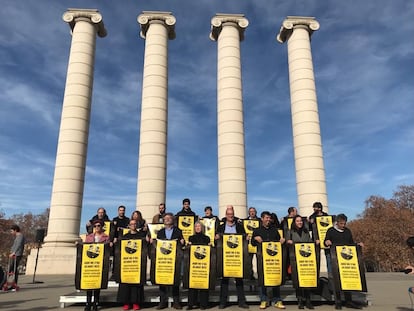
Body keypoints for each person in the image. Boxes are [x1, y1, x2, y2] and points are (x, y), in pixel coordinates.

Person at [324, 214, 364, 310]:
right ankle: (338, 302)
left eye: (344, 223)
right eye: (341, 223)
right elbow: (325, 241)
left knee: (347, 277)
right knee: (335, 278)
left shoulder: (347, 231)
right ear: (337, 222)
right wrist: (327, 242)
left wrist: (358, 244)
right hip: (333, 257)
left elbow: (351, 243)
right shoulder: (330, 230)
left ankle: (348, 301)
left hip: (345, 258)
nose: (343, 225)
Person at [215, 205, 249, 309]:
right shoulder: (221, 226)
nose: (230, 216)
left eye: (232, 214)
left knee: (239, 279)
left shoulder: (239, 225)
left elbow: (244, 236)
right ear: (226, 215)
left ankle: (242, 302)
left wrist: (246, 237)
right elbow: (216, 237)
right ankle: (222, 302)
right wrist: (216, 237)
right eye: (229, 214)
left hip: (237, 256)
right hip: (225, 256)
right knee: (224, 280)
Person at [251, 211, 286, 310]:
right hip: (262, 258)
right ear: (262, 219)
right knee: (262, 279)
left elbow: (279, 242)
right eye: (266, 218)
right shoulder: (257, 230)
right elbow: (252, 243)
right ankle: (264, 300)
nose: (268, 220)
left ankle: (277, 300)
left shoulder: (274, 230)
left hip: (274, 259)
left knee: (275, 277)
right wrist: (255, 239)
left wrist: (282, 241)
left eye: (269, 218)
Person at [286, 215, 319, 309]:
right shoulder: (290, 231)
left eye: (301, 221)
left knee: (306, 278)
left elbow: (309, 242)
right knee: (297, 280)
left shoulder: (306, 231)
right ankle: (300, 300)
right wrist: (289, 242)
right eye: (297, 221)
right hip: (295, 259)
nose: (300, 222)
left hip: (306, 259)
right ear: (294, 222)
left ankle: (308, 300)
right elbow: (287, 243)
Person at [155, 213, 186, 310]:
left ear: (173, 220)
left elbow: (181, 243)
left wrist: (182, 241)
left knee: (175, 281)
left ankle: (176, 303)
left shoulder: (178, 231)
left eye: (169, 218)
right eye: (166, 218)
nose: (167, 220)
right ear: (163, 221)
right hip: (163, 260)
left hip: (175, 259)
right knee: (162, 281)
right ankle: (162, 302)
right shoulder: (160, 232)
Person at [117, 219, 150, 311]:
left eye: (135, 224)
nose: (133, 225)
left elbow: (145, 248)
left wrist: (147, 241)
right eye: (131, 224)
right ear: (129, 226)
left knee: (136, 284)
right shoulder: (124, 237)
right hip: (127, 263)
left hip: (137, 263)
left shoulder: (141, 236)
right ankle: (126, 303)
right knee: (125, 284)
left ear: (137, 225)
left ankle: (136, 303)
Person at [84, 219, 111, 311]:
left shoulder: (106, 237)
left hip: (100, 262)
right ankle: (88, 303)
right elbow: (85, 247)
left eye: (98, 225)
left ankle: (96, 302)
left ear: (102, 226)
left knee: (97, 283)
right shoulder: (89, 237)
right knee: (89, 284)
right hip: (90, 262)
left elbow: (107, 250)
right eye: (95, 226)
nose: (96, 227)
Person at [187, 221, 211, 310]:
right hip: (193, 264)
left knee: (203, 284)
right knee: (192, 284)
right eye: (196, 226)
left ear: (202, 228)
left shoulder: (206, 238)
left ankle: (203, 304)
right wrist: (188, 246)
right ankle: (191, 304)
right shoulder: (191, 238)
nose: (197, 228)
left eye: (199, 226)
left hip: (204, 264)